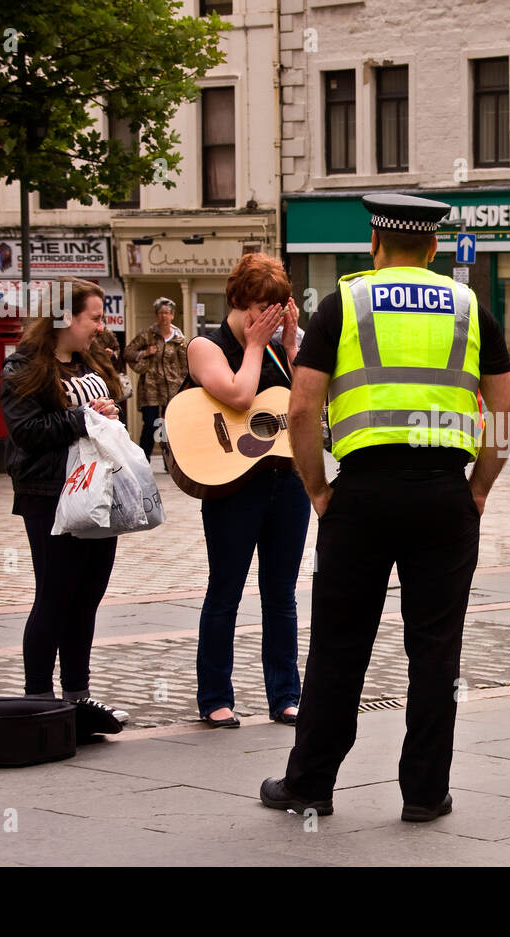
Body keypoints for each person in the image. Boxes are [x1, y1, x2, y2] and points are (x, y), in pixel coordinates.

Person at [259, 192, 510, 822]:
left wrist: (318, 488)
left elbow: (300, 410)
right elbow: (508, 412)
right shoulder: (469, 309)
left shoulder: (341, 305)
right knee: (436, 650)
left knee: (338, 645)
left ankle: (311, 785)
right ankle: (426, 793)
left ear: (374, 247)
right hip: (442, 494)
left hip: (363, 495)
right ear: (433, 249)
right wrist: (479, 487)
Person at [185, 254, 309, 729]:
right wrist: (256, 344)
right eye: (261, 307)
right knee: (226, 591)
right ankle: (215, 697)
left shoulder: (279, 347)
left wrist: (292, 345)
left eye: (277, 308)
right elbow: (238, 395)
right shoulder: (206, 345)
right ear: (238, 300)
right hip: (233, 486)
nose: (268, 319)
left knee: (281, 594)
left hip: (285, 481)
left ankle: (286, 695)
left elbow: (304, 404)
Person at [0, 277, 129, 721]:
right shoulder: (23, 366)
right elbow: (27, 432)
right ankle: (38, 697)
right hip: (49, 495)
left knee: (88, 595)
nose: (100, 325)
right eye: (94, 317)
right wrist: (83, 417)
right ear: (64, 317)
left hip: (98, 491)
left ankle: (77, 694)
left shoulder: (92, 364)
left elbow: (106, 417)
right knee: (55, 594)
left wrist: (107, 414)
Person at [124, 297, 188, 460]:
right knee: (151, 423)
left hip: (171, 388)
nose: (163, 316)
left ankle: (170, 461)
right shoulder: (147, 336)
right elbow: (127, 353)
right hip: (150, 387)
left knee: (168, 425)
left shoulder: (179, 339)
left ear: (172, 315)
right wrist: (144, 353)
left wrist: (183, 383)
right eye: (160, 313)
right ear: (156, 315)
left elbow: (185, 364)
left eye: (167, 313)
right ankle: (144, 459)